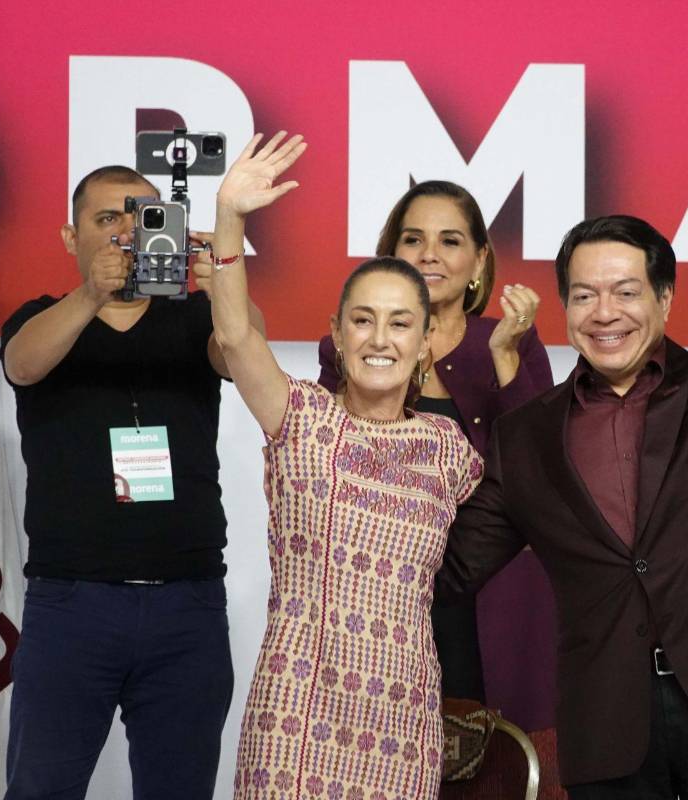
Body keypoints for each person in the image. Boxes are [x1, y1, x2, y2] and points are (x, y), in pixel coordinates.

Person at [435, 166, 688, 798]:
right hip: (607, 718)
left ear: (665, 299)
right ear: (566, 306)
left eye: (626, 292)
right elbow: (453, 566)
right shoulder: (525, 436)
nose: (605, 314)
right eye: (584, 295)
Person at [206, 133, 483, 800]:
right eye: (362, 321)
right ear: (336, 333)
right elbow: (236, 336)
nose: (379, 339)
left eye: (398, 324)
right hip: (296, 713)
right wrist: (230, 218)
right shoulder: (300, 418)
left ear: (425, 343)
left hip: (403, 719)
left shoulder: (451, 452)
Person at [0, 165, 245, 798]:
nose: (126, 232)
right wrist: (91, 297)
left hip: (187, 604)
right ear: (69, 236)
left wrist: (224, 284)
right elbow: (22, 367)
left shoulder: (195, 319)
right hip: (71, 602)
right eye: (107, 219)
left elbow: (246, 358)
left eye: (142, 216)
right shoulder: (42, 316)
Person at [316, 180, 556, 725]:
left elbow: (539, 470)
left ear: (478, 261)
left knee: (491, 762)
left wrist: (505, 358)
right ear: (390, 255)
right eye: (412, 239)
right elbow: (330, 457)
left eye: (449, 240)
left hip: (493, 594)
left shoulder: (512, 340)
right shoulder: (352, 347)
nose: (429, 254)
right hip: (379, 593)